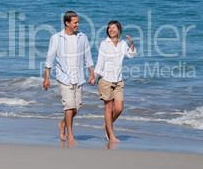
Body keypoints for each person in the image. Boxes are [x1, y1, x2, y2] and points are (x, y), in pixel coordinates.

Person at [43, 11, 95, 144]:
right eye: (75, 22)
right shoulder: (56, 38)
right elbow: (50, 59)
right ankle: (70, 134)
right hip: (64, 76)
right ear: (67, 23)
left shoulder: (82, 37)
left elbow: (88, 57)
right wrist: (46, 78)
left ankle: (62, 124)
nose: (78, 24)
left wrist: (92, 74)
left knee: (77, 107)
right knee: (69, 106)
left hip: (78, 76)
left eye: (78, 22)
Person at [94, 20, 136, 143]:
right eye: (109, 28)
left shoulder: (123, 44)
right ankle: (112, 135)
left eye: (113, 28)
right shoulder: (104, 44)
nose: (111, 30)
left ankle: (107, 124)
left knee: (118, 109)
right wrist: (94, 76)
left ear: (118, 30)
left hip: (118, 80)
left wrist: (132, 43)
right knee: (108, 108)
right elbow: (100, 62)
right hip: (105, 80)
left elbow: (132, 55)